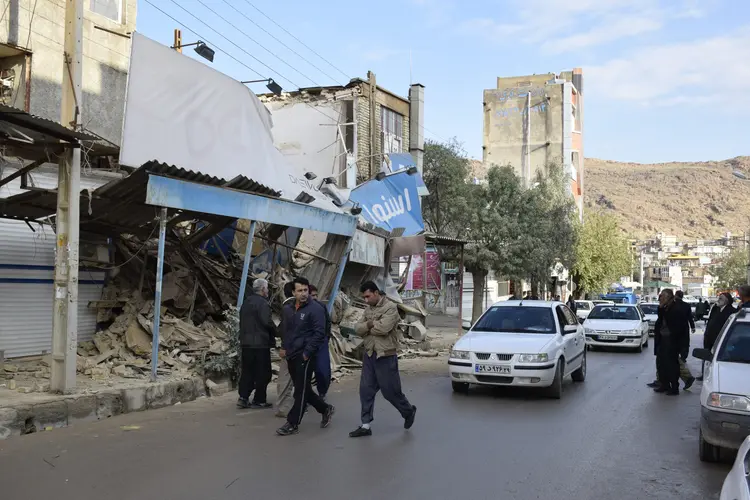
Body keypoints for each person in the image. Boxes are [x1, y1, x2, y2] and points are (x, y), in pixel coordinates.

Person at [349, 281, 417, 438]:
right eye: (364, 297)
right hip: (370, 353)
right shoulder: (368, 310)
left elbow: (384, 328)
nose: (365, 300)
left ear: (376, 293)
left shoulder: (390, 308)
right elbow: (357, 329)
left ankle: (408, 411)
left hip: (386, 355)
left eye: (368, 296)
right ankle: (365, 425)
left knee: (390, 392)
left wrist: (369, 326)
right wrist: (372, 323)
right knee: (365, 390)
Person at [276, 277, 335, 436]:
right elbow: (286, 331)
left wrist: (306, 353)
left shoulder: (315, 309)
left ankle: (292, 423)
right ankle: (325, 408)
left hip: (306, 356)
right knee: (304, 389)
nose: (303, 294)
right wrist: (283, 348)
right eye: (300, 291)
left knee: (300, 391)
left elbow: (319, 333)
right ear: (294, 292)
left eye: (305, 290)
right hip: (291, 355)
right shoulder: (288, 309)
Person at [237, 278, 277, 409]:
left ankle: (243, 397)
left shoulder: (246, 302)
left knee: (247, 371)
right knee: (263, 372)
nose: (268, 291)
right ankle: (259, 399)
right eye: (267, 288)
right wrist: (277, 332)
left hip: (246, 343)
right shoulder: (263, 304)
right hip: (260, 343)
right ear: (263, 289)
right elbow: (267, 322)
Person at [653, 289, 690, 395]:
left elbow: (679, 328)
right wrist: (661, 308)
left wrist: (680, 345)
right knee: (661, 364)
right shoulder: (664, 307)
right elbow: (660, 320)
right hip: (663, 339)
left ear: (669, 297)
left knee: (671, 365)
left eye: (663, 296)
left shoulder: (676, 308)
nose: (661, 298)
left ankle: (674, 386)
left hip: (672, 340)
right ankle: (664, 384)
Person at [698, 292, 735, 381]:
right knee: (706, 357)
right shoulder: (715, 308)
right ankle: (704, 373)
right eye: (719, 298)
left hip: (719, 338)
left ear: (727, 301)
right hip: (709, 337)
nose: (718, 300)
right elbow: (710, 320)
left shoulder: (731, 311)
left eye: (721, 298)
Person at [274, 282, 296, 418]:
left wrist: (284, 347)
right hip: (301, 348)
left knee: (285, 378)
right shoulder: (299, 306)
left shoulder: (288, 307)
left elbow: (285, 330)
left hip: (290, 348)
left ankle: (284, 408)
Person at [309, 284, 332, 402]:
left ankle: (322, 392)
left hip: (321, 343)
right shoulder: (302, 308)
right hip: (307, 344)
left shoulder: (321, 307)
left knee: (322, 370)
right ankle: (306, 396)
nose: (314, 298)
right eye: (312, 295)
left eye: (316, 295)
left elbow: (328, 323)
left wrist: (326, 337)